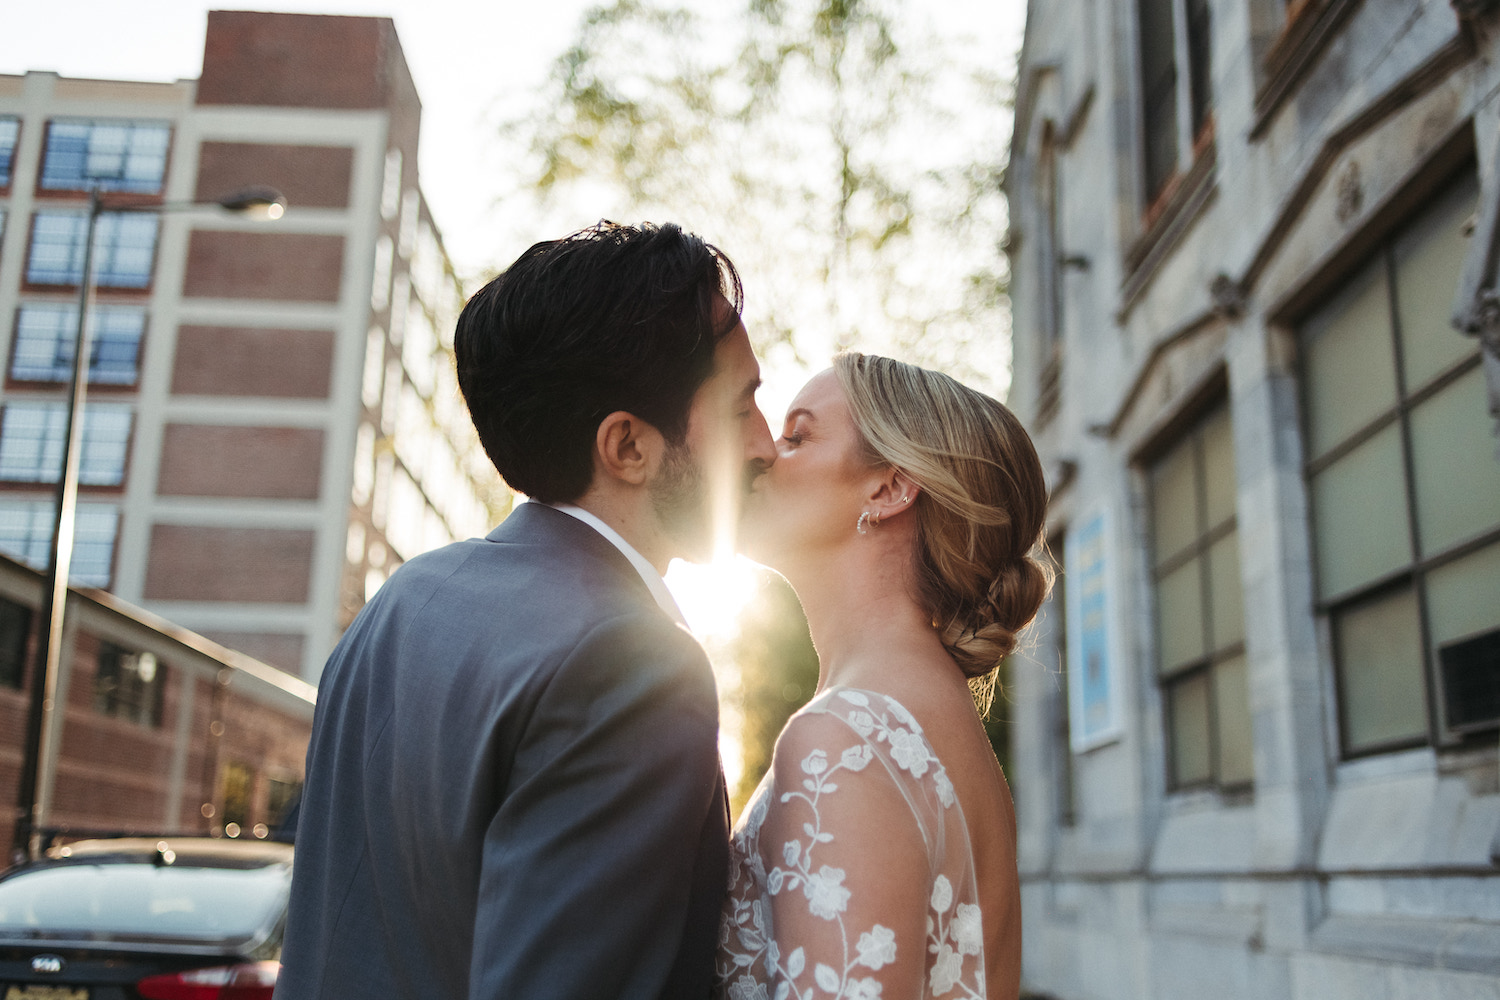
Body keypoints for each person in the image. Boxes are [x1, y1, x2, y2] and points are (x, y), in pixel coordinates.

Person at [276, 222, 776, 1000]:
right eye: (744, 407)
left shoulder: (405, 603)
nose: (769, 446)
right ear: (628, 447)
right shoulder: (632, 662)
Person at [715, 353, 1050, 1000]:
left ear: (890, 488)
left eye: (797, 436)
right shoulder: (932, 722)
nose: (762, 453)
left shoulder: (847, 738)